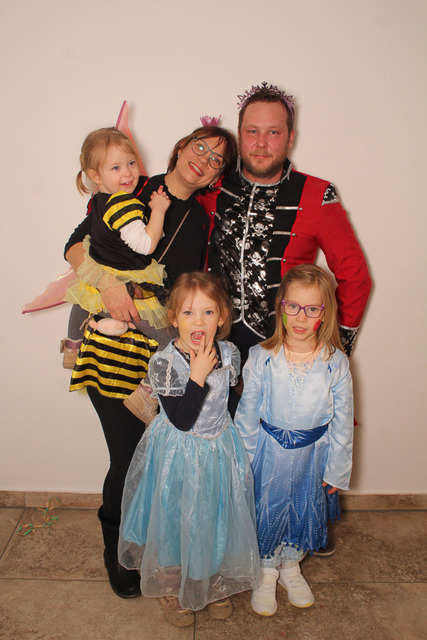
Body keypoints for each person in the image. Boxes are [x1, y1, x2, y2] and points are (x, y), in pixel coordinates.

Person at [64, 125, 238, 599]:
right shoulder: (132, 185)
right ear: (180, 149)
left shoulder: (200, 222)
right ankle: (116, 551)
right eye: (199, 147)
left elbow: (183, 294)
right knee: (126, 457)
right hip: (107, 346)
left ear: (216, 176)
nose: (204, 159)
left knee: (153, 458)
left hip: (155, 351)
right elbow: (75, 245)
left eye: (217, 159)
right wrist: (108, 286)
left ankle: (150, 551)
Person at [118, 272, 259, 627]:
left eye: (208, 312)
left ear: (222, 317)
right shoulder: (165, 363)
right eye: (188, 313)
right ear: (173, 318)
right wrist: (197, 374)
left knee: (212, 514)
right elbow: (181, 419)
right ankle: (170, 584)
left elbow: (228, 402)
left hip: (217, 450)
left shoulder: (229, 353)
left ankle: (209, 578)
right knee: (175, 518)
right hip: (178, 455)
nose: (199, 322)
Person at [201, 82, 371, 366]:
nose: (261, 143)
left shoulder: (317, 195)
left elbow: (356, 278)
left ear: (290, 137)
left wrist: (332, 348)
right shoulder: (210, 184)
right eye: (252, 131)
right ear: (239, 134)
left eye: (273, 132)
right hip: (211, 354)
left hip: (284, 356)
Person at [234, 264, 353, 617]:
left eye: (312, 309)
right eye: (293, 306)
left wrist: (336, 469)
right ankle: (266, 569)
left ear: (325, 313)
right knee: (268, 510)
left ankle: (290, 565)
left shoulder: (336, 364)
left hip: (312, 457)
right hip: (268, 454)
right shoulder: (262, 357)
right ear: (281, 307)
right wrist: (243, 462)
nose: (301, 317)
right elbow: (247, 414)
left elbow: (342, 423)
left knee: (302, 511)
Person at [64, 127, 172, 347]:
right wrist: (159, 210)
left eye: (131, 163)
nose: (128, 173)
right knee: (167, 338)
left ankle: (73, 345)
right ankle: (167, 366)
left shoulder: (99, 200)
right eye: (116, 167)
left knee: (84, 299)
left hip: (102, 273)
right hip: (125, 280)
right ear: (95, 175)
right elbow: (146, 245)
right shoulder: (124, 203)